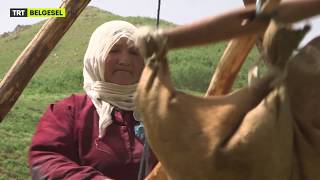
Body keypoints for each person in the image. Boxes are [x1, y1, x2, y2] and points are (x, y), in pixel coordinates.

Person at [28, 20, 157, 180]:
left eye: (134, 52)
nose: (125, 60)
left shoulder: (160, 113)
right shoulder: (69, 112)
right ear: (95, 57)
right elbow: (46, 161)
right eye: (113, 50)